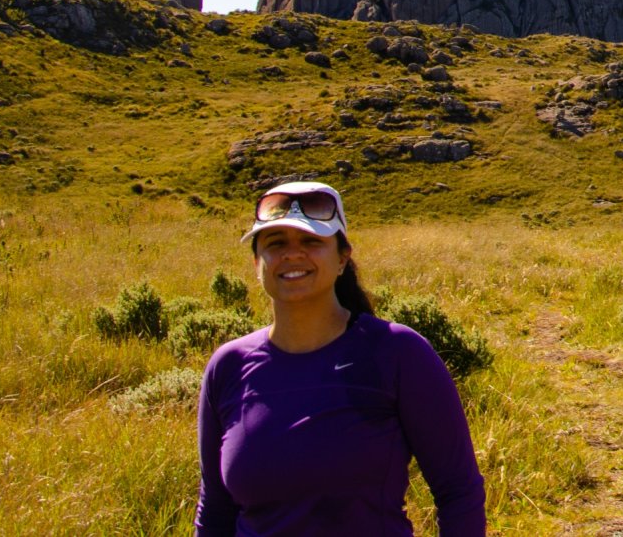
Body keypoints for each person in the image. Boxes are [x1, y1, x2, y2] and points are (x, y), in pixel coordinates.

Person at [195, 180, 486, 536]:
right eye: (276, 243)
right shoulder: (228, 366)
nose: (292, 254)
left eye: (311, 241)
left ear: (342, 258)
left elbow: (458, 491)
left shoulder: (396, 352)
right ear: (258, 262)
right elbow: (215, 510)